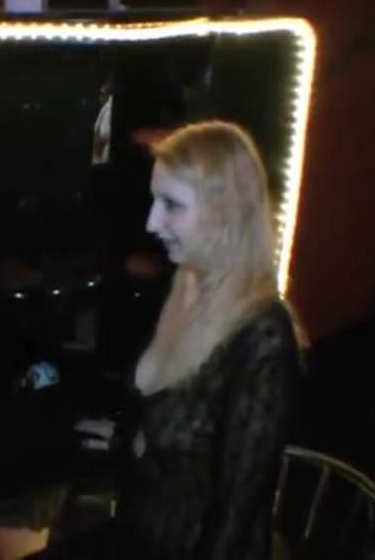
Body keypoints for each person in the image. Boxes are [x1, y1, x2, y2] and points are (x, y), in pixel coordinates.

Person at [112, 120, 303, 560]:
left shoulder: (263, 335)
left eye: (171, 205)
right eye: (154, 201)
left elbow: (234, 519)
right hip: (139, 534)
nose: (151, 222)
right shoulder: (185, 285)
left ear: (225, 212)